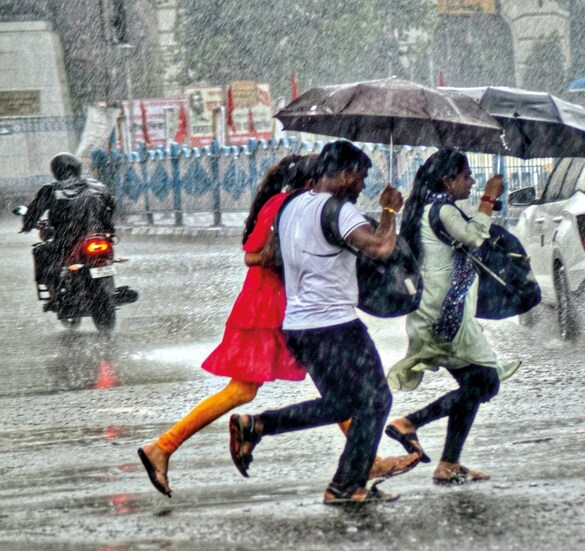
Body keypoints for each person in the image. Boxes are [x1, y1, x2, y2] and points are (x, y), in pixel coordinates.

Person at [138, 154, 417, 497]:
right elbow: (256, 254)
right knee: (249, 390)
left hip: (288, 307)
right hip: (275, 307)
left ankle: (360, 464)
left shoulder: (289, 203)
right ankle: (165, 445)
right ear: (311, 182)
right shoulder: (288, 205)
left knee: (341, 395)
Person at [228, 140, 408, 505]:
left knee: (345, 403)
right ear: (343, 174)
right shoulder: (338, 210)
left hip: (298, 327)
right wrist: (389, 211)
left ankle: (258, 426)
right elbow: (380, 247)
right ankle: (344, 486)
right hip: (335, 326)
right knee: (376, 400)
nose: (361, 187)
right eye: (360, 178)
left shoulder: (291, 206)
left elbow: (271, 257)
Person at [384, 148, 520, 485]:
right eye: (466, 175)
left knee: (473, 387)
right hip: (447, 317)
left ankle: (449, 464)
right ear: (448, 180)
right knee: (486, 381)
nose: (472, 180)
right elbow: (474, 236)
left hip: (435, 312)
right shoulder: (442, 209)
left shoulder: (427, 210)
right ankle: (411, 422)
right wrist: (489, 197)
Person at [21, 152, 115, 305]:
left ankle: (55, 293)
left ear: (56, 171)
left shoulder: (51, 189)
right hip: (98, 235)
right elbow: (111, 205)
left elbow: (33, 213)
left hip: (68, 239)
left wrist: (28, 225)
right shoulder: (96, 185)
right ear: (77, 167)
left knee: (40, 251)